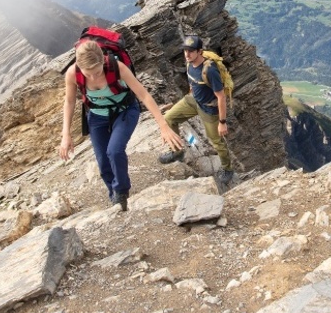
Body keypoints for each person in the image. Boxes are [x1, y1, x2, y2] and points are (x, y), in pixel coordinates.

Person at [60, 40, 185, 210]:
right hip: (97, 115)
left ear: (103, 61)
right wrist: (65, 134)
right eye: (88, 74)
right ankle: (113, 193)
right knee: (103, 160)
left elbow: (144, 95)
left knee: (115, 150)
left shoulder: (117, 68)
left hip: (125, 110)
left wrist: (163, 126)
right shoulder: (72, 74)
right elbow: (69, 102)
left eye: (97, 72)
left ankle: (121, 193)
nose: (93, 77)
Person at [159, 35, 234, 185]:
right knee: (168, 119)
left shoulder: (210, 71)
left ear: (200, 51)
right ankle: (178, 152)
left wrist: (222, 122)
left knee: (216, 141)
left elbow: (221, 97)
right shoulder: (189, 64)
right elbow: (193, 83)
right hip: (193, 101)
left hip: (209, 109)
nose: (187, 54)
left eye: (191, 51)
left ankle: (227, 168)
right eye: (185, 50)